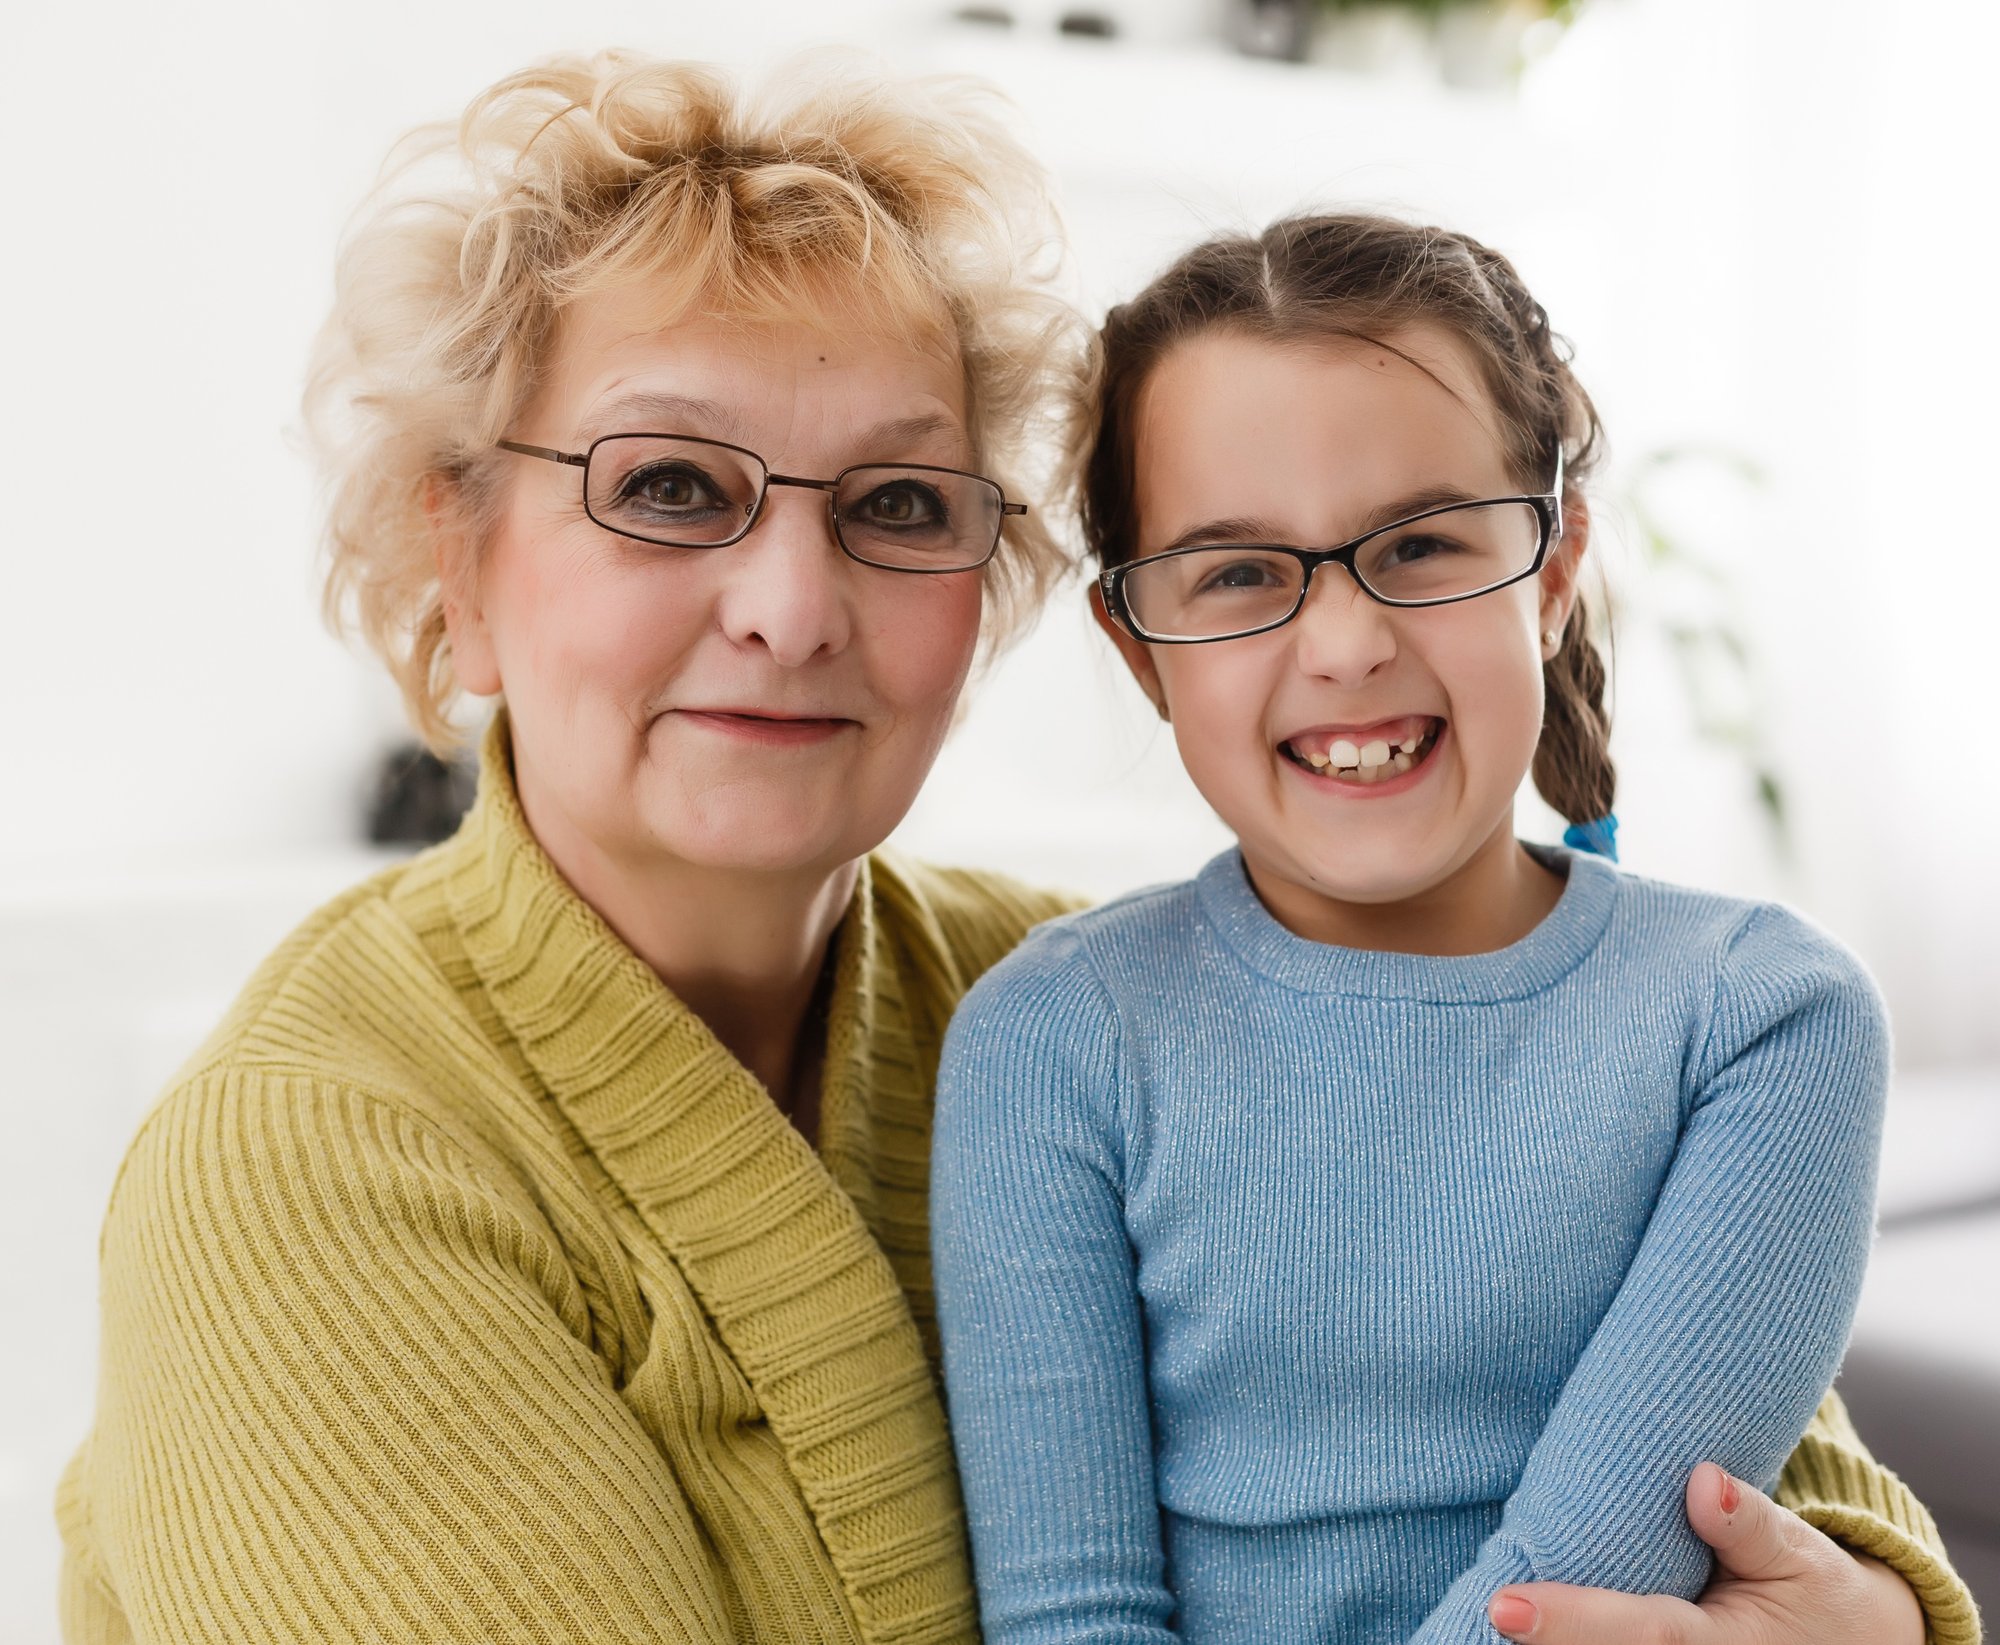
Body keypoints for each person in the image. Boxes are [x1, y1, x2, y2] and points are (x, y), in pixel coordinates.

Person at [52, 54, 1975, 1645]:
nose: (793, 604)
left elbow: (1705, 1415)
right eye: (668, 488)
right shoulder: (300, 1176)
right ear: (448, 560)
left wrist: (1875, 1609)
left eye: (896, 499)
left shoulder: (1063, 986)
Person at [930, 213, 1984, 1645]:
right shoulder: (1050, 1038)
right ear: (1141, 647)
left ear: (1553, 575)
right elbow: (1074, 1615)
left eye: (1421, 543)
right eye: (1237, 571)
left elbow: (1590, 1556)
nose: (1347, 641)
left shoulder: (1767, 1019)